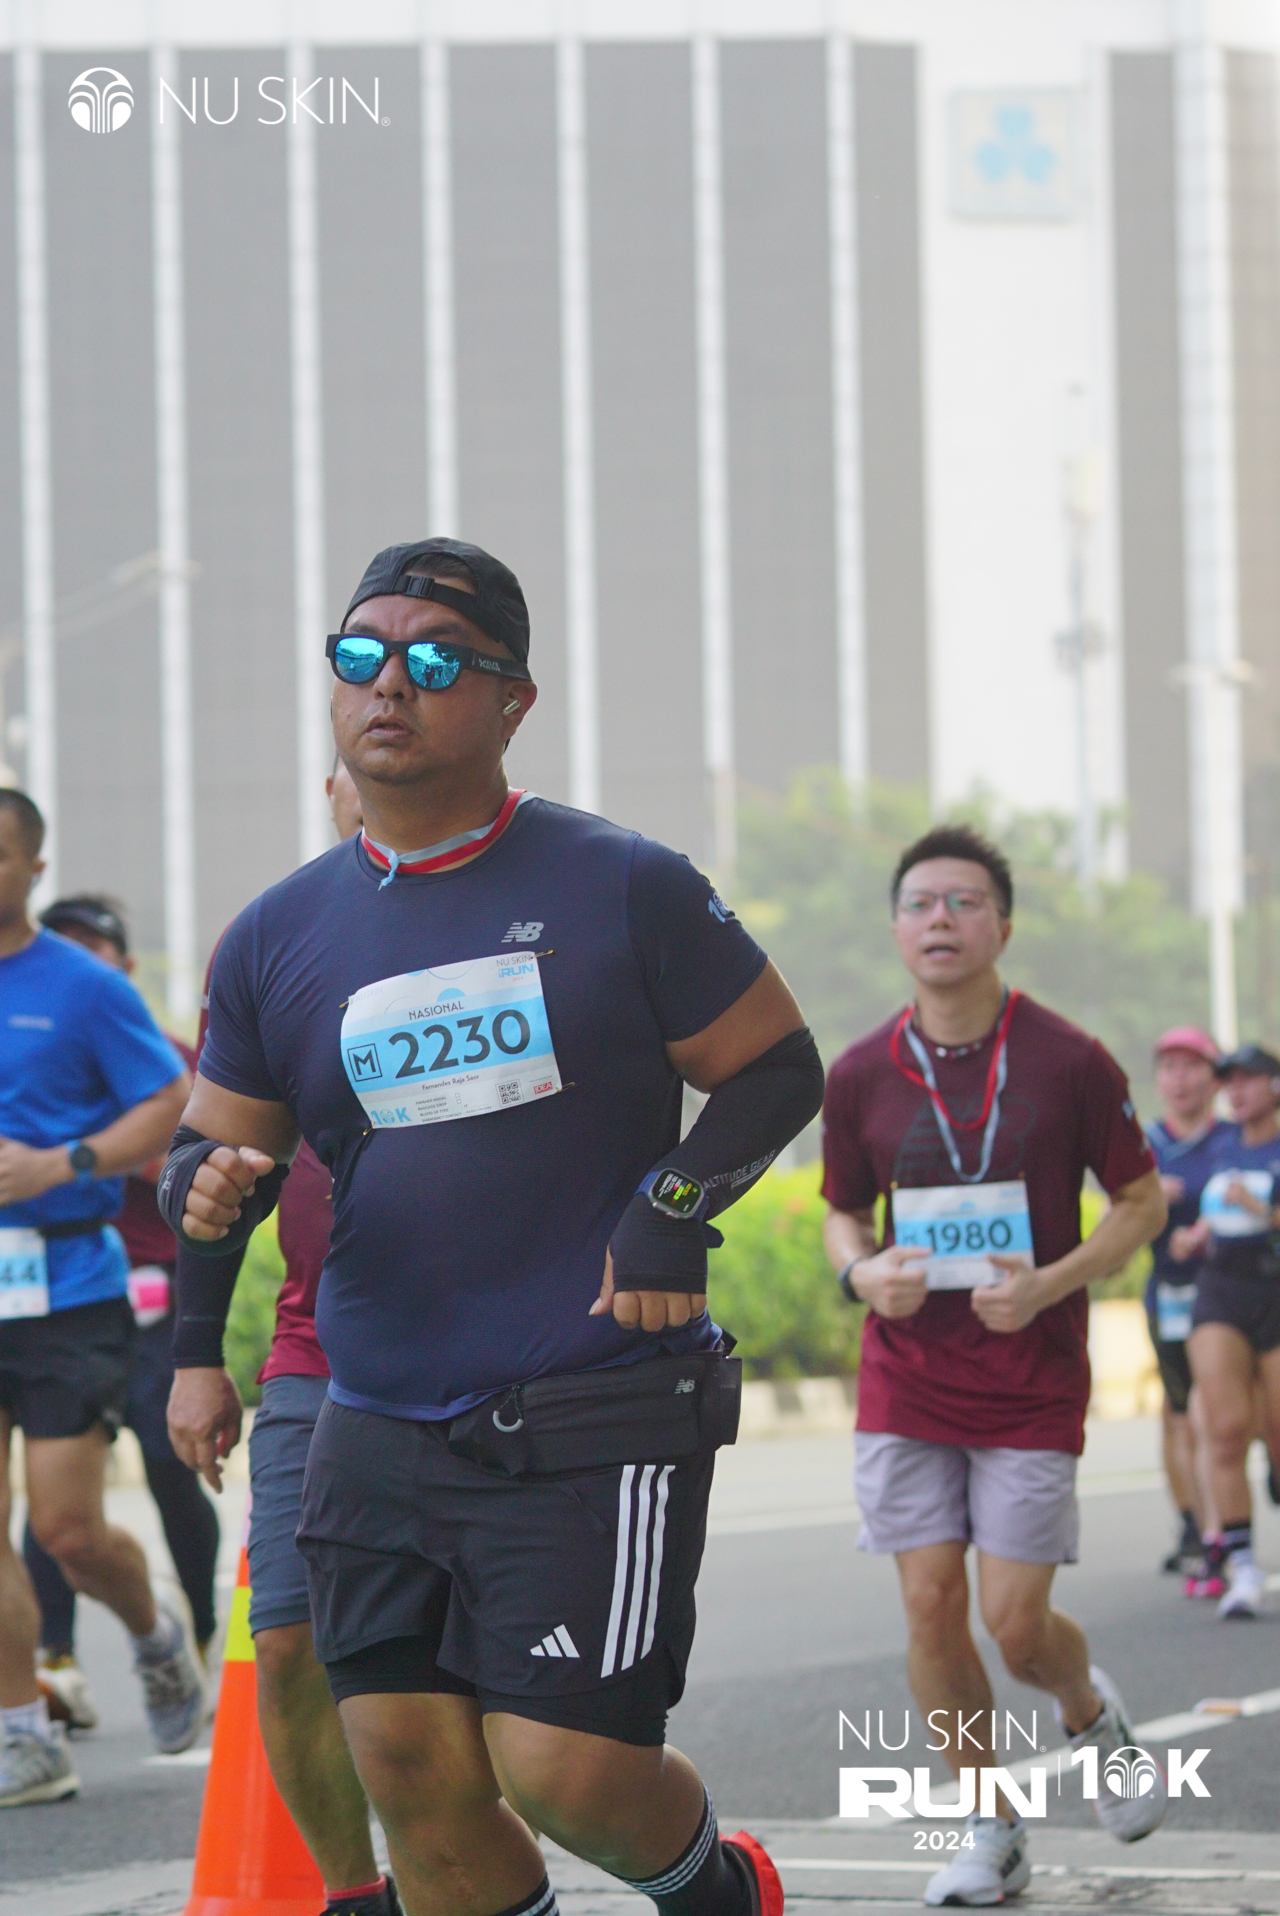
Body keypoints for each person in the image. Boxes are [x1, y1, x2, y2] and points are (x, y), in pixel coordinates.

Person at [163, 536, 822, 1916]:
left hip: (589, 1399)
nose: (388, 682)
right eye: (361, 654)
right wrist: (200, 1215)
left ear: (512, 699)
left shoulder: (620, 881)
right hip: (373, 1410)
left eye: (436, 659)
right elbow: (215, 1150)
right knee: (411, 1768)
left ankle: (721, 1887)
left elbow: (774, 1067)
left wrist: (671, 1209)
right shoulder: (277, 934)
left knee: (565, 1769)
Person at [821, 824, 1169, 1907]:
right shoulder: (859, 1072)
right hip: (906, 1377)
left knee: (1016, 1628)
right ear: (896, 929)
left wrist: (1051, 1283)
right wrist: (860, 1272)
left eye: (963, 902)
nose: (940, 919)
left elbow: (1141, 1201)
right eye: (920, 903)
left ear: (1002, 927)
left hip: (1030, 1377)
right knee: (930, 1606)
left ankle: (1087, 1713)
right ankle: (990, 1824)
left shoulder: (1070, 1059)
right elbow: (841, 1212)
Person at [174, 760, 399, 1916]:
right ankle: (356, 1896)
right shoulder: (273, 938)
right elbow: (221, 1162)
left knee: (488, 1694)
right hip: (316, 1350)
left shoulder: (521, 920)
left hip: (496, 1351)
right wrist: (195, 1354)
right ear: (331, 786)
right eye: (360, 764)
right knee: (290, 1639)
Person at [0, 789, 206, 1809]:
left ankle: (155, 1635)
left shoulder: (82, 986)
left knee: (70, 1531)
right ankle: (23, 1733)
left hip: (67, 1283)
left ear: (33, 867)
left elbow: (169, 1101)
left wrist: (64, 1162)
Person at [1171, 1044, 1280, 1620]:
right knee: (1226, 1429)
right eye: (1229, 1082)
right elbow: (1204, 1208)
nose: (1236, 1091)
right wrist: (1193, 1234)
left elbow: (1254, 1209)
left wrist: (1260, 1209)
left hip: (1274, 1286)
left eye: (1249, 1080)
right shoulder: (1217, 1146)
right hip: (1220, 1289)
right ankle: (1241, 1567)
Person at [1142, 1027, 1227, 1581]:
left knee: (1235, 1411)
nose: (1181, 1079)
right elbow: (1118, 1213)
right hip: (1171, 1297)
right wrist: (1148, 1198)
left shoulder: (1235, 1139)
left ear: (1214, 1078)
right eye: (1170, 1067)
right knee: (1181, 1417)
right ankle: (1197, 1527)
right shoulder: (1145, 1144)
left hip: (1237, 1296)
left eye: (1192, 1066)